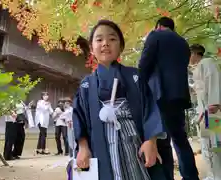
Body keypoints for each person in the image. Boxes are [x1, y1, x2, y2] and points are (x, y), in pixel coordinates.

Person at [73, 19, 167, 180]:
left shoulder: (135, 76)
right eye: (99, 39)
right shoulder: (86, 85)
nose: (105, 44)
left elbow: (150, 109)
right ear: (91, 48)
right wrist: (82, 147)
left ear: (121, 47)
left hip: (133, 141)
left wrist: (151, 141)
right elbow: (79, 118)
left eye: (112, 39)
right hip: (101, 142)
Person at [138, 17, 199, 180]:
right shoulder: (183, 43)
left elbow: (144, 65)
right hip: (179, 96)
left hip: (160, 94)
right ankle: (191, 176)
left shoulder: (155, 35)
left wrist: (139, 88)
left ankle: (166, 177)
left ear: (158, 26)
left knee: (162, 141)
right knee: (180, 139)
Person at [190, 44, 221, 180]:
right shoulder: (197, 69)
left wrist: (214, 103)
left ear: (195, 53)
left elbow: (214, 81)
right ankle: (212, 174)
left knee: (214, 143)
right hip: (204, 112)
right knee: (206, 143)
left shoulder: (207, 63)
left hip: (212, 111)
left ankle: (217, 175)